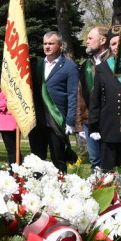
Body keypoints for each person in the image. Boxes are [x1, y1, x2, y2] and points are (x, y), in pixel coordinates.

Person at [88, 27, 121, 168]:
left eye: (120, 43)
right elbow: (96, 100)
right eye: (113, 44)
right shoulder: (102, 68)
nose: (117, 47)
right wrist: (93, 127)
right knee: (109, 174)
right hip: (108, 129)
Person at [29, 31, 78, 172]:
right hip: (37, 121)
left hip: (56, 120)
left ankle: (60, 189)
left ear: (61, 45)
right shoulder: (36, 66)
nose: (47, 47)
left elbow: (73, 96)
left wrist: (70, 121)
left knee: (58, 160)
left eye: (51, 43)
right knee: (37, 161)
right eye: (45, 44)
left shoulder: (70, 67)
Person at [75, 26, 111, 170]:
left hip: (110, 119)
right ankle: (96, 190)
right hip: (89, 120)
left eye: (90, 38)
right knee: (95, 160)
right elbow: (80, 95)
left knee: (109, 158)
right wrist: (79, 123)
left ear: (103, 40)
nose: (87, 41)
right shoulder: (86, 65)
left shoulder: (114, 61)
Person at [0, 91, 20, 166]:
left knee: (13, 149)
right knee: (10, 149)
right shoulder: (2, 87)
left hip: (9, 120)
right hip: (3, 120)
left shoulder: (9, 86)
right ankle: (13, 169)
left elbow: (9, 98)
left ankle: (15, 171)